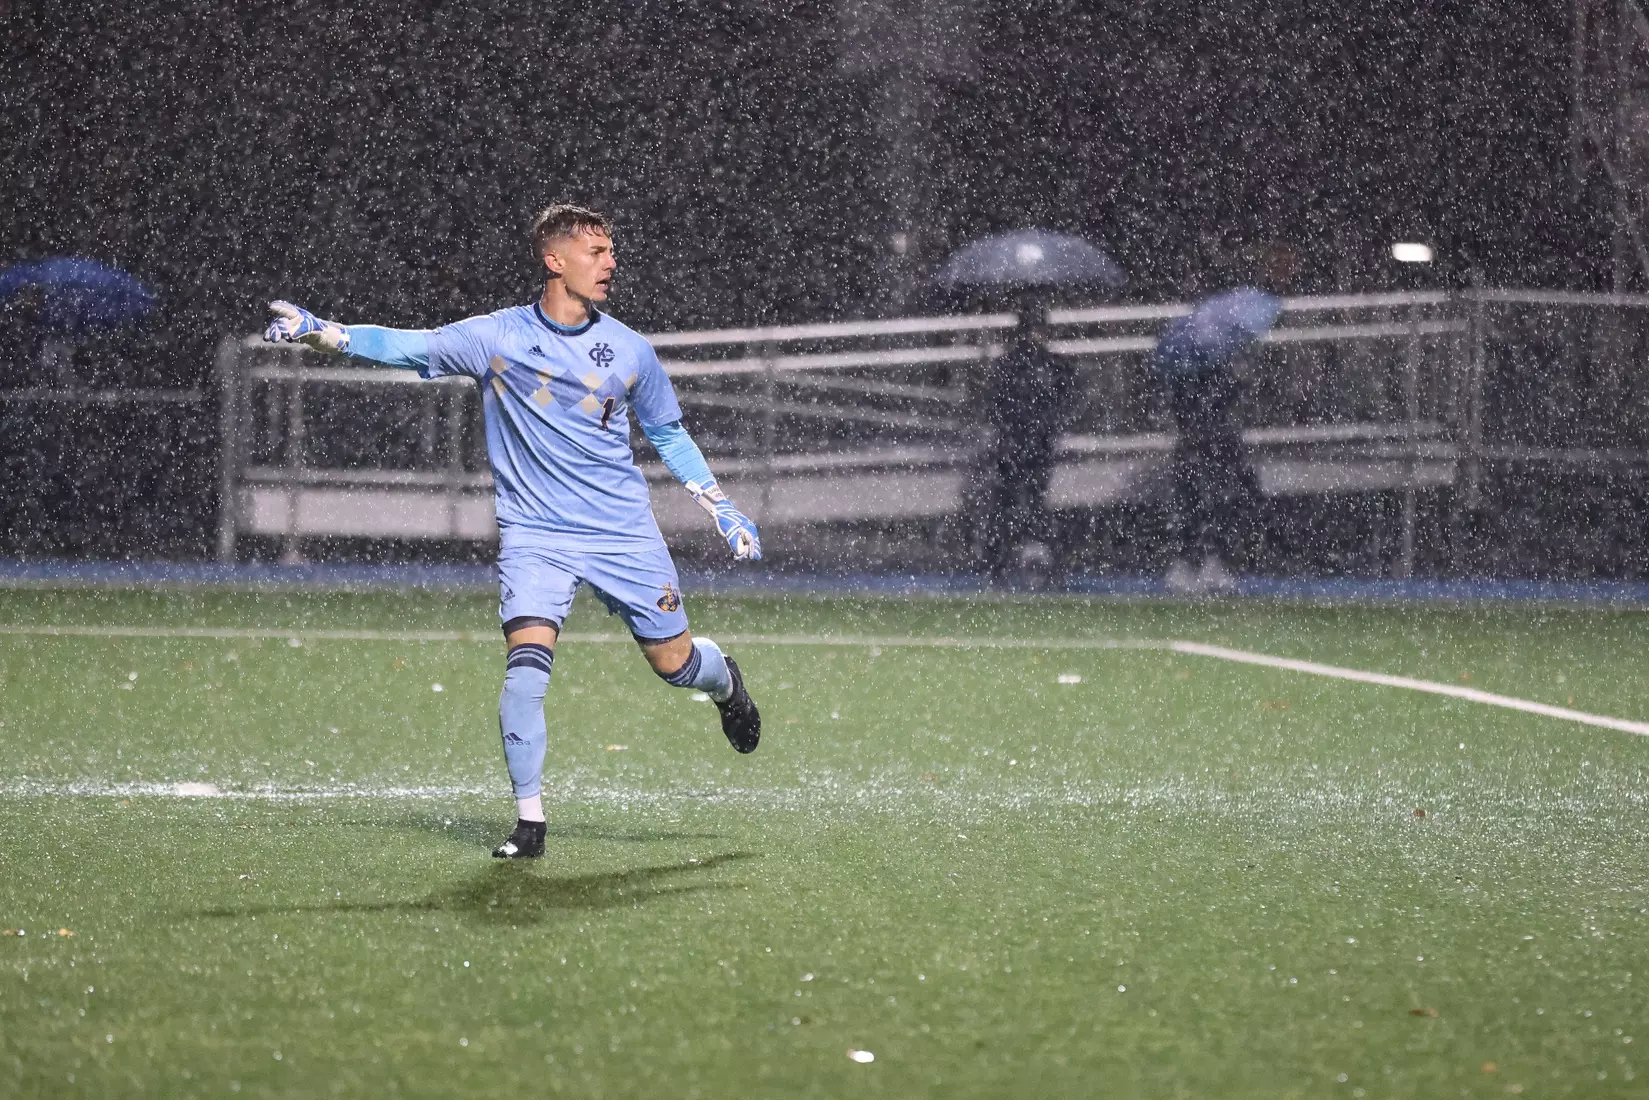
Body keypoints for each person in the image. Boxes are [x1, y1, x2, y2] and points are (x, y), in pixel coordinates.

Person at [264, 203, 763, 859]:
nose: (610, 262)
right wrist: (324, 334)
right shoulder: (495, 338)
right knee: (525, 673)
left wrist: (719, 504)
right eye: (595, 251)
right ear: (554, 260)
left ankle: (724, 682)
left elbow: (667, 433)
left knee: (675, 666)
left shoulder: (631, 350)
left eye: (611, 250)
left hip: (622, 534)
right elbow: (408, 344)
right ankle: (529, 826)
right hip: (536, 537)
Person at [1152, 286, 1281, 594]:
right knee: (1209, 502)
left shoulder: (1183, 368)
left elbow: (1184, 410)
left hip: (1199, 444)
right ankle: (1204, 562)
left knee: (1199, 502)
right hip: (1211, 443)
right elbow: (1214, 408)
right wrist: (1236, 385)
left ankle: (1196, 562)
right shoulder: (1209, 372)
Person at [974, 305, 1073, 584]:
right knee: (1029, 500)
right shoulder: (1048, 364)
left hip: (1016, 442)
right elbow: (1063, 398)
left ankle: (1000, 561)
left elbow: (995, 404)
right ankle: (1033, 559)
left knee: (1009, 502)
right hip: (1031, 442)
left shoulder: (1012, 364)